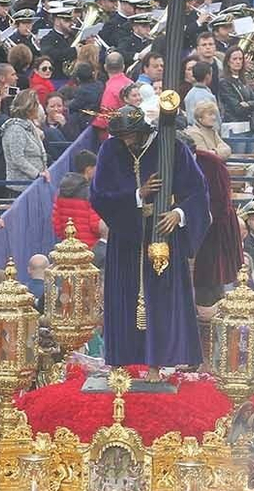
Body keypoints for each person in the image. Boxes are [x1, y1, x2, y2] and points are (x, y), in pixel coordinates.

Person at [88, 106, 211, 369]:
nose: (126, 142)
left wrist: (179, 214)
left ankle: (161, 362)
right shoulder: (110, 150)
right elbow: (98, 195)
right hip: (126, 239)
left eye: (130, 135)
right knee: (126, 300)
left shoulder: (173, 147)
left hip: (164, 235)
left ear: (142, 130)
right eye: (121, 136)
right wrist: (137, 194)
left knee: (163, 301)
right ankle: (124, 362)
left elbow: (199, 192)